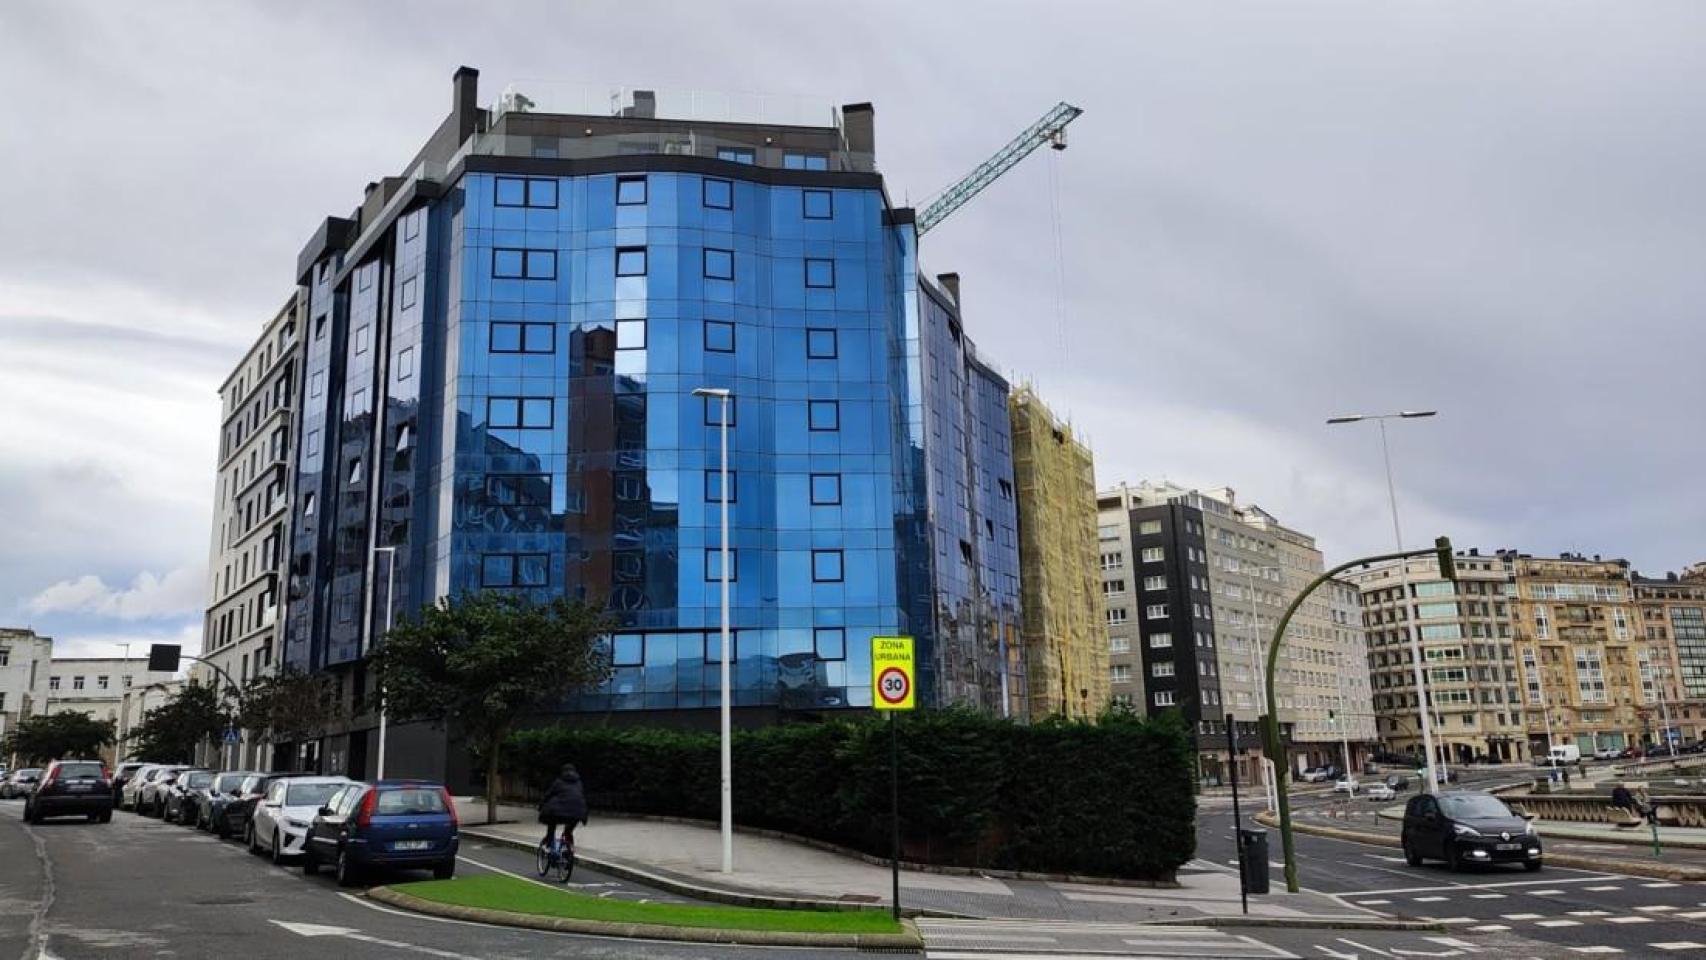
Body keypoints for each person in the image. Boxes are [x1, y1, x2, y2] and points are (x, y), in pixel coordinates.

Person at [539, 763, 589, 854]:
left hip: (560, 813)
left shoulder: (558, 782)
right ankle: (570, 850)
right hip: (578, 813)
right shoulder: (579, 783)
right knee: (568, 831)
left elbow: (548, 795)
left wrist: (541, 805)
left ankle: (549, 844)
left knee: (552, 823)